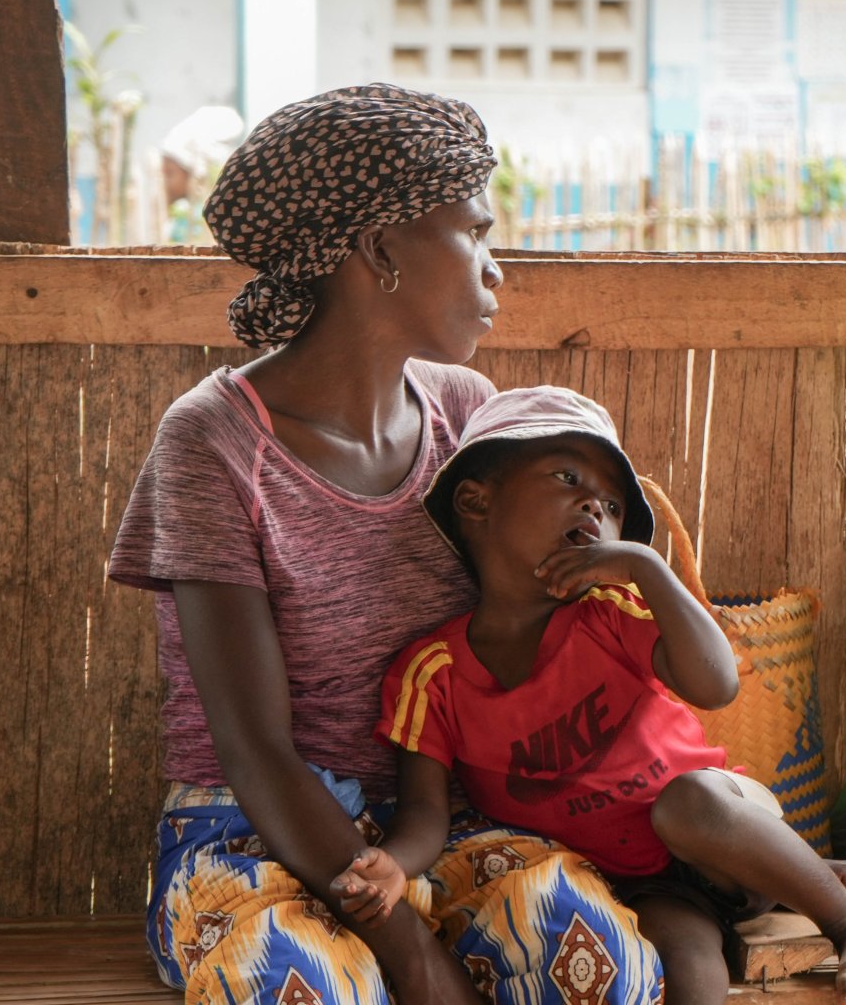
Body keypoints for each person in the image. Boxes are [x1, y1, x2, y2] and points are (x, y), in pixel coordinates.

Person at [109, 85, 662, 1005]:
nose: (496, 269)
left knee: (595, 956)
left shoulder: (467, 421)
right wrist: (413, 954)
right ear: (378, 249)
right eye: (475, 234)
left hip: (445, 811)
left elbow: (557, 646)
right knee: (298, 988)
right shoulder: (215, 442)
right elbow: (253, 752)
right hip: (254, 831)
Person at [330, 385, 846, 1005]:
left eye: (611, 505)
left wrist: (646, 567)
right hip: (639, 884)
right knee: (682, 961)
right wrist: (395, 863)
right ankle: (803, 882)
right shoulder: (432, 672)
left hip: (720, 830)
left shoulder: (611, 611)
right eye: (567, 476)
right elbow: (425, 814)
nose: (594, 506)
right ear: (476, 501)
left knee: (684, 802)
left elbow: (716, 685)